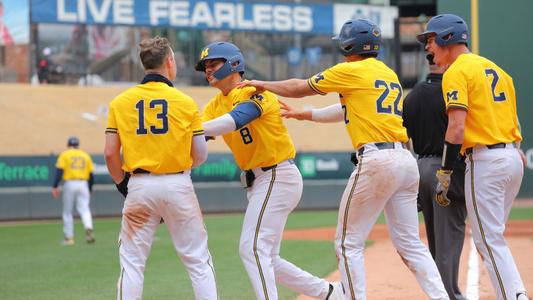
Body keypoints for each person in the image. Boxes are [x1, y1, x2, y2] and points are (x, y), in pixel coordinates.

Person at [238, 19, 449, 299]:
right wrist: (307, 114)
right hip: (405, 160)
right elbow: (348, 108)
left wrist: (263, 84)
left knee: (347, 243)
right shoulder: (387, 73)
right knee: (411, 244)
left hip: (377, 160)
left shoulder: (350, 70)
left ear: (349, 45)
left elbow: (300, 86)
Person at [195, 41, 344, 300]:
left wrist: (191, 129)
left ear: (233, 64)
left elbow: (236, 120)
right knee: (267, 257)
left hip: (278, 175)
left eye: (213, 64)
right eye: (205, 67)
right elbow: (198, 139)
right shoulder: (215, 105)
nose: (208, 71)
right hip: (260, 182)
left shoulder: (256, 91)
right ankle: (331, 293)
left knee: (252, 248)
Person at [418, 14, 528, 300]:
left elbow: (456, 128)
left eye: (431, 40)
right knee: (492, 238)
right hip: (512, 158)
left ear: (446, 38)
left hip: (485, 162)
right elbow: (512, 118)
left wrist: (444, 172)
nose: (428, 48)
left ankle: (514, 296)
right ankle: (515, 292)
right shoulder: (497, 70)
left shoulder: (456, 71)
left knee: (488, 240)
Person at [104, 36, 217, 300]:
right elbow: (200, 155)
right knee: (199, 262)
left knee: (132, 263)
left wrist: (123, 184)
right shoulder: (186, 102)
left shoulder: (120, 102)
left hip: (139, 186)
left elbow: (110, 153)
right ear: (169, 62)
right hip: (179, 184)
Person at [403, 54, 467, 300]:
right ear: (445, 65)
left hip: (420, 168)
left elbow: (402, 137)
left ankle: (442, 292)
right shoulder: (452, 92)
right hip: (446, 168)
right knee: (449, 236)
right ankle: (449, 295)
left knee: (435, 240)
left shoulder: (413, 96)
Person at [52, 136, 95, 245]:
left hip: (70, 183)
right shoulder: (85, 155)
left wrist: (55, 186)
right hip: (83, 183)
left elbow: (59, 171)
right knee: (85, 208)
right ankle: (89, 228)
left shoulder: (65, 154)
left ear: (68, 144)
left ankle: (69, 237)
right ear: (78, 145)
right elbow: (91, 175)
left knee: (67, 212)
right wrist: (89, 188)